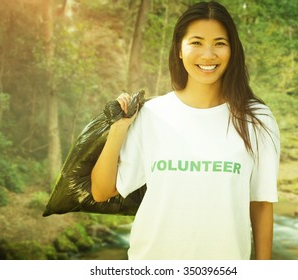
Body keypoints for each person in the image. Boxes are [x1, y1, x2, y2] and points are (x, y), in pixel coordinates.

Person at [91, 1, 280, 260]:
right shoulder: (151, 114)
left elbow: (260, 203)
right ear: (179, 49)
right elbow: (102, 191)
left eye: (220, 43)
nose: (208, 55)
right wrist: (118, 129)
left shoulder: (256, 119)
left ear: (233, 50)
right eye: (196, 42)